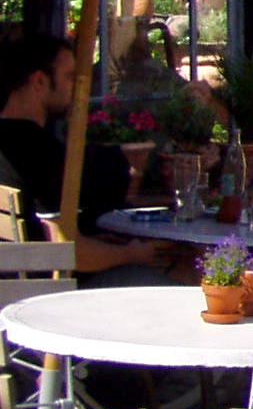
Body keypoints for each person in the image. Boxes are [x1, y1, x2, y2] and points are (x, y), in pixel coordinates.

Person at [0, 33, 166, 280]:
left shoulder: (11, 143)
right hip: (47, 288)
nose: (75, 88)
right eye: (69, 77)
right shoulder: (36, 152)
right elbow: (73, 253)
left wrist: (98, 242)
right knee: (171, 283)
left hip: (17, 278)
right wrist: (133, 254)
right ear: (39, 81)